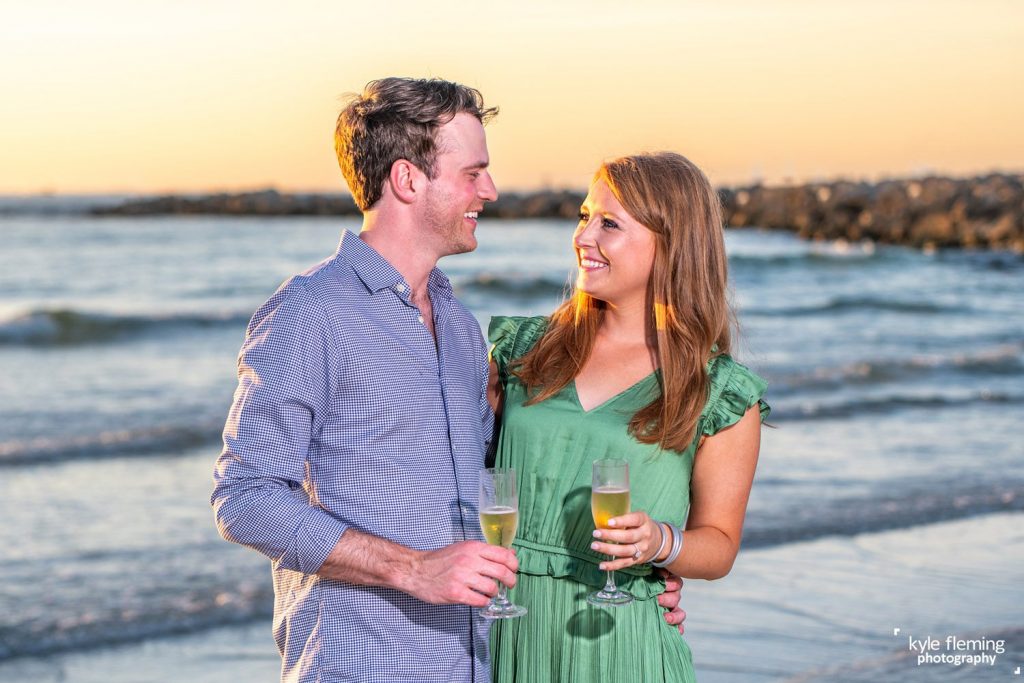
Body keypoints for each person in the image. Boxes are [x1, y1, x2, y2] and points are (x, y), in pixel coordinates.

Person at [211, 78, 684, 683]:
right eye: (472, 173)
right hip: (363, 666)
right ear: (409, 180)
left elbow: (503, 485)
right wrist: (410, 569)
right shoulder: (311, 312)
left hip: (480, 665)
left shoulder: (459, 324)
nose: (490, 189)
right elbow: (245, 497)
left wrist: (638, 576)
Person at [486, 152, 770, 682]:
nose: (583, 236)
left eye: (609, 223)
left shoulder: (718, 392)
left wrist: (662, 544)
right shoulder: (523, 351)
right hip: (503, 627)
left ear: (673, 245)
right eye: (584, 216)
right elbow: (453, 475)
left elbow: (720, 546)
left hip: (622, 642)